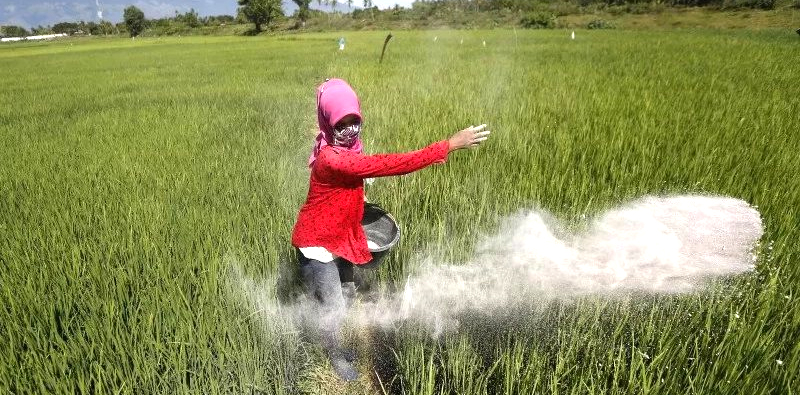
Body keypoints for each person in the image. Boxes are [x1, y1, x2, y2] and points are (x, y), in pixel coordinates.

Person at [291, 78, 490, 381]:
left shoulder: (346, 149)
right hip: (317, 244)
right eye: (342, 124)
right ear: (328, 123)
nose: (350, 130)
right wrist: (447, 145)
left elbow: (350, 182)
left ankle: (336, 343)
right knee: (332, 306)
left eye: (354, 122)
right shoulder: (331, 157)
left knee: (345, 293)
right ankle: (334, 356)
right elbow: (389, 165)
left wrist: (360, 197)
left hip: (338, 235)